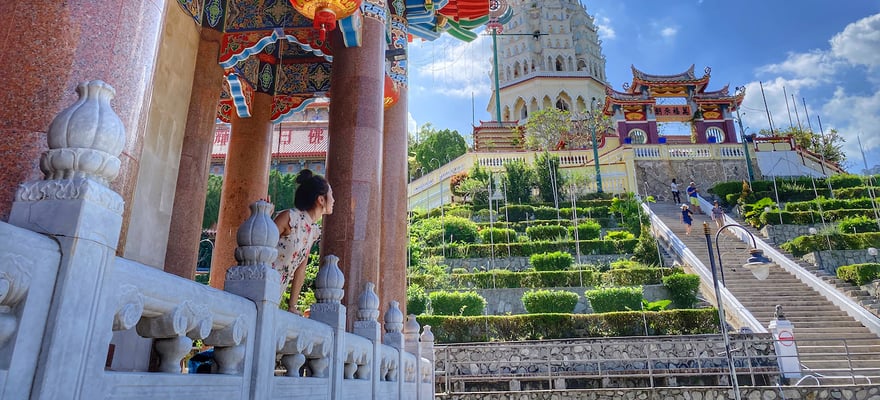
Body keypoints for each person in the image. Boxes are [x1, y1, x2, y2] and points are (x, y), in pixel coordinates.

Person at [272, 169, 335, 313]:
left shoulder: (312, 231)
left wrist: (292, 306)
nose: (334, 200)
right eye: (331, 195)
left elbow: (301, 269)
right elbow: (261, 245)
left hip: (276, 293)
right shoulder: (288, 218)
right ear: (321, 200)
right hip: (259, 282)